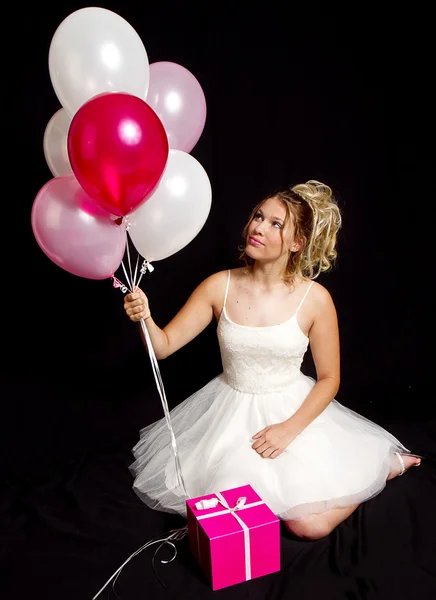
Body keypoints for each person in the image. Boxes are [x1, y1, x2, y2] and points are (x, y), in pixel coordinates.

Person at [123, 180, 420, 541]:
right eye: (258, 217)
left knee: (307, 526)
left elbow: (329, 378)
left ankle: (381, 468)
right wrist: (145, 317)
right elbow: (164, 346)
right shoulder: (219, 286)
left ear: (296, 244)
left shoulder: (316, 299)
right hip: (229, 413)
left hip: (293, 412)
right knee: (223, 512)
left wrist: (289, 429)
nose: (258, 227)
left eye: (275, 224)